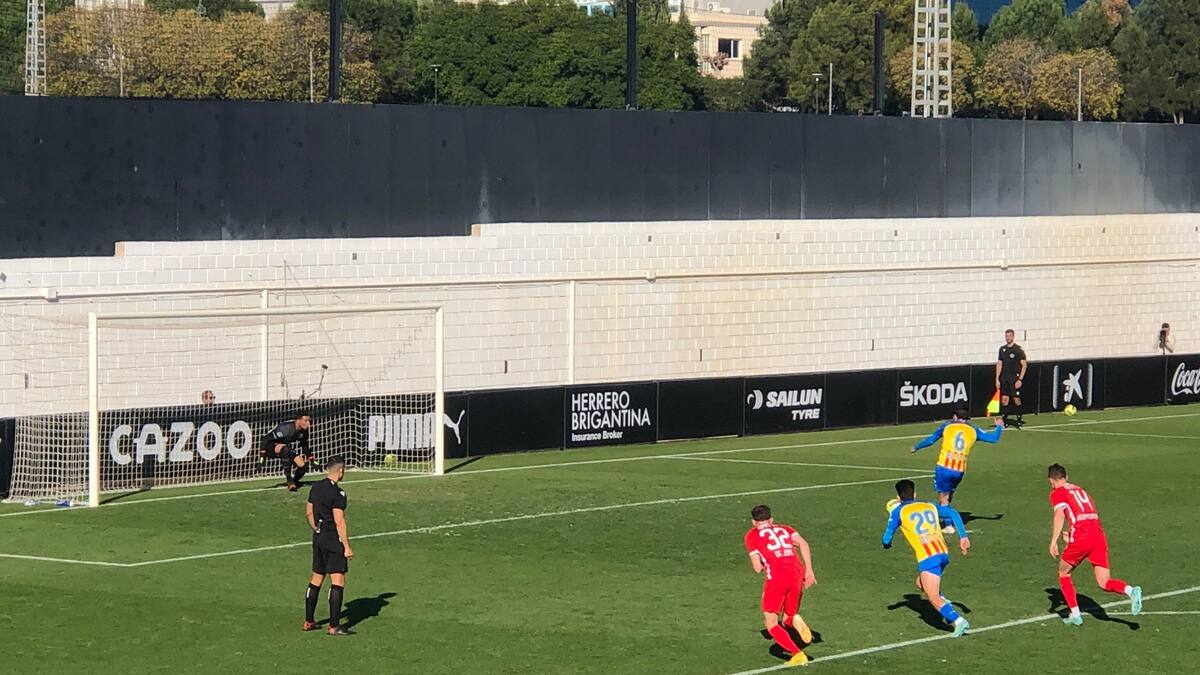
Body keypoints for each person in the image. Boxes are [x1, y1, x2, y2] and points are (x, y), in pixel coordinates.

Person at [1046, 464, 1143, 626]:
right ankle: (1131, 591)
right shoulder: (1081, 490)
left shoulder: (1058, 492)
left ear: (1051, 480)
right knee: (1104, 582)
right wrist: (1071, 535)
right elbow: (1085, 517)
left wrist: (1054, 540)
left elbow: (1059, 515)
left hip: (1082, 537)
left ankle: (1075, 615)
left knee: (1064, 573)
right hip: (1098, 535)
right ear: (1066, 477)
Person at [882, 479, 971, 637]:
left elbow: (886, 539)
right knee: (920, 582)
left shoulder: (898, 512)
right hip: (943, 552)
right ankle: (945, 603)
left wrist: (887, 545)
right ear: (915, 494)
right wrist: (963, 537)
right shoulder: (929, 505)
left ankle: (958, 621)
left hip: (928, 557)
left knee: (933, 596)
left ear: (898, 497)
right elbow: (953, 513)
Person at [743, 504, 816, 667]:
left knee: (771, 623)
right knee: (787, 617)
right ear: (771, 519)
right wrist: (809, 570)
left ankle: (797, 654)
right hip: (797, 574)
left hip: (777, 578)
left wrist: (763, 560)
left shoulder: (752, 535)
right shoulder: (786, 529)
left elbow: (757, 568)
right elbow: (803, 544)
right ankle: (793, 621)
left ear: (753, 522)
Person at [910, 408, 1003, 533]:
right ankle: (946, 517)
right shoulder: (973, 430)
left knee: (943, 497)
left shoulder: (947, 426)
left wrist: (916, 447)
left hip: (944, 467)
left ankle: (948, 525)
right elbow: (993, 439)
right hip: (959, 470)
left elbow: (931, 440)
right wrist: (999, 427)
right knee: (948, 496)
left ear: (955, 416)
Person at [304, 455, 354, 636]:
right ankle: (334, 626)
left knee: (317, 577)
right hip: (333, 539)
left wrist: (316, 528)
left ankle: (309, 621)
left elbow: (309, 512)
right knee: (337, 579)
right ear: (340, 471)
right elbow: (339, 521)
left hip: (318, 537)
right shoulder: (338, 494)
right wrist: (346, 546)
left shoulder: (315, 487)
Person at [259, 411, 313, 491]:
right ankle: (289, 480)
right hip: (270, 447)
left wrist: (310, 457)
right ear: (298, 420)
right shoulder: (286, 428)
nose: (308, 423)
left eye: (309, 421)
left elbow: (304, 445)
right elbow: (265, 439)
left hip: (284, 448)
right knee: (286, 449)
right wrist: (262, 458)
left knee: (303, 466)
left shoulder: (304, 431)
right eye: (306, 421)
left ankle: (294, 482)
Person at [995, 329, 1028, 428]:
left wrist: (1020, 379)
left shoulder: (1018, 350)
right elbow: (999, 364)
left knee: (1016, 399)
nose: (1008, 338)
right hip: (1004, 377)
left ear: (1013, 336)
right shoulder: (1002, 349)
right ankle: (1004, 421)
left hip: (1014, 377)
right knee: (1004, 399)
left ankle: (1018, 421)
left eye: (1009, 336)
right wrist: (997, 378)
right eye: (1006, 336)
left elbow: (1024, 365)